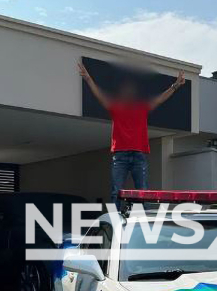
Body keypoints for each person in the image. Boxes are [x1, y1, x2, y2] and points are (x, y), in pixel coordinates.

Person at [78, 62, 186, 210]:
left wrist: (176, 85)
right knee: (116, 192)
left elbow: (160, 98)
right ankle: (116, 220)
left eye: (131, 91)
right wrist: (88, 79)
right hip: (120, 155)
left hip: (138, 155)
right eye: (125, 91)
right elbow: (100, 96)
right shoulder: (116, 107)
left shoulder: (142, 107)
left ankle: (142, 222)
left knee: (142, 192)